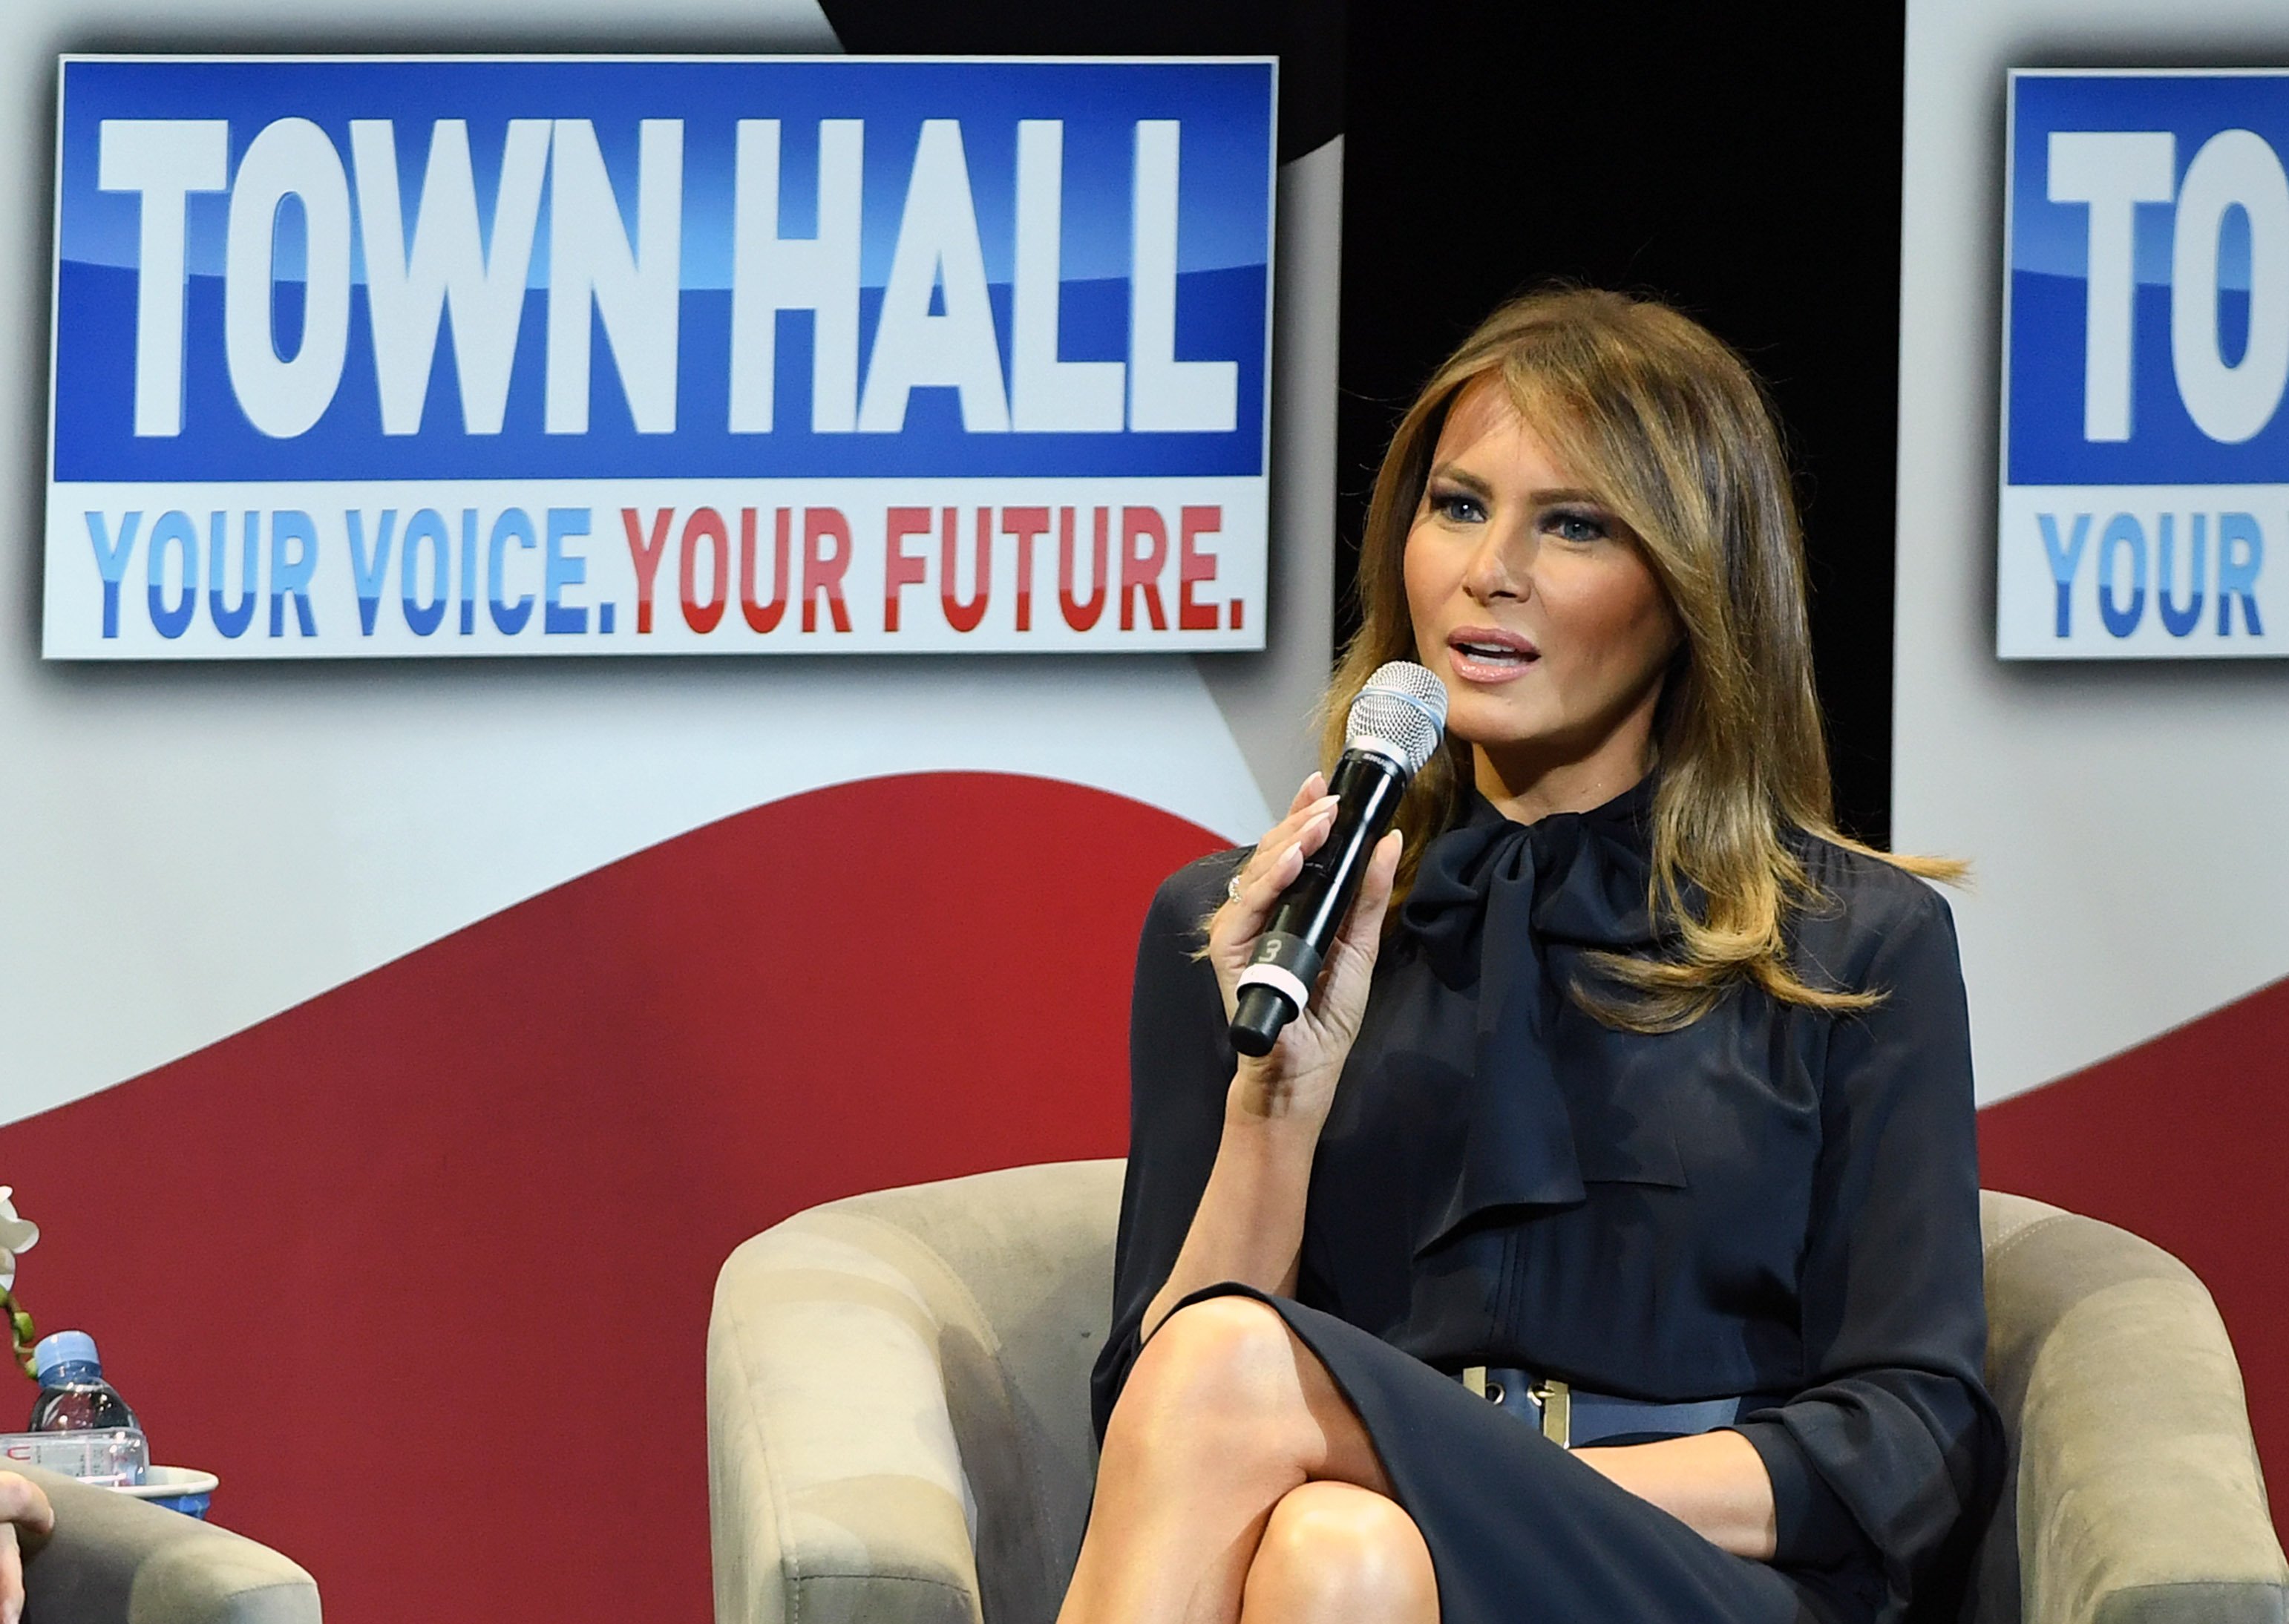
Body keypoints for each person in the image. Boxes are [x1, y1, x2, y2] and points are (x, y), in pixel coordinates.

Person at [1060, 287, 2003, 1624]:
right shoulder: (1252, 925)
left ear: (1691, 589)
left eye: (1572, 524)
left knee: (1263, 1420)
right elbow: (1151, 1420)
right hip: (1352, 1546)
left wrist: (1507, 1476)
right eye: (1456, 505)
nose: (1486, 569)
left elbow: (1912, 1436)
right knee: (1339, 1556)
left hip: (1697, 1568)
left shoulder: (1852, 943)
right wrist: (1279, 1093)